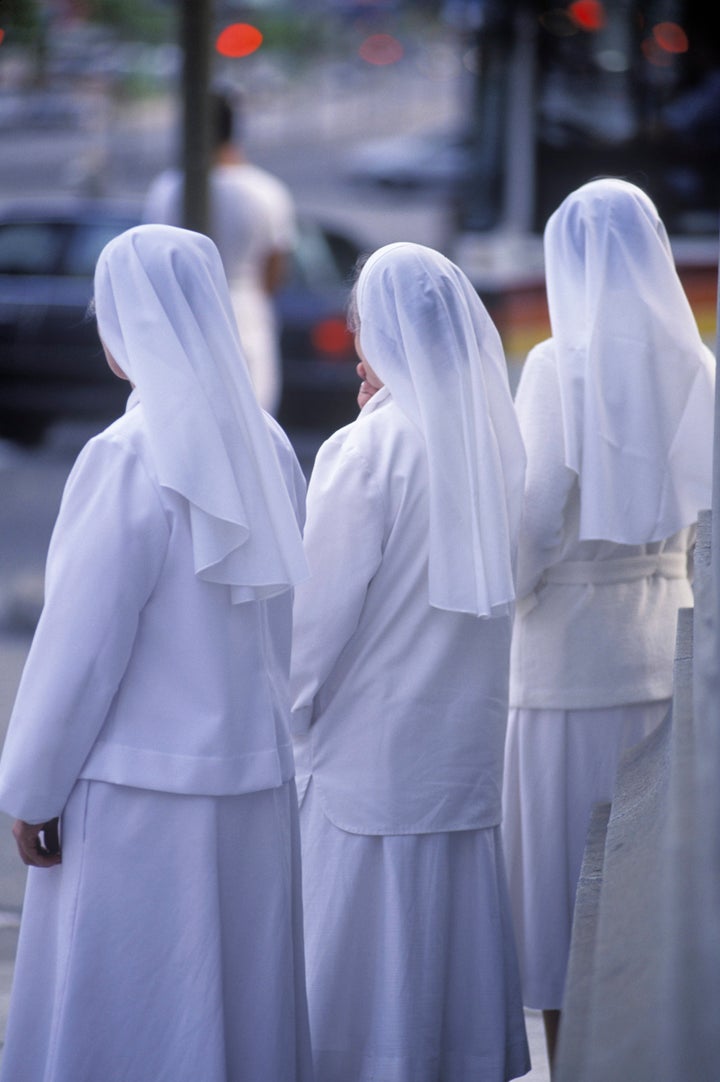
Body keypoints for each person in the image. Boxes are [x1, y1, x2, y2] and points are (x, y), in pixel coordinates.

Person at [0, 224, 313, 1082]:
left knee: (135, 1024)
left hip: (140, 802)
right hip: (253, 788)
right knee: (234, 1020)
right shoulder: (270, 443)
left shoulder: (125, 455)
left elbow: (79, 650)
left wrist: (31, 790)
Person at [290, 241, 531, 1082]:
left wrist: (283, 726)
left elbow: (310, 630)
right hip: (459, 757)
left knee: (352, 987)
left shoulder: (365, 451)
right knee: (439, 973)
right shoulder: (496, 446)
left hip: (367, 763)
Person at [501, 177, 715, 1069]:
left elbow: (533, 517)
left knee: (556, 901)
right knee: (640, 899)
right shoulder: (700, 364)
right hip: (666, 652)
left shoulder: (560, 363)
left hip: (564, 669)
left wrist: (510, 592)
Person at [143, 88, 296, 415]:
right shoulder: (266, 191)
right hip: (245, 315)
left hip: (179, 319)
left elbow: (152, 262)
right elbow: (274, 270)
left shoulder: (167, 188)